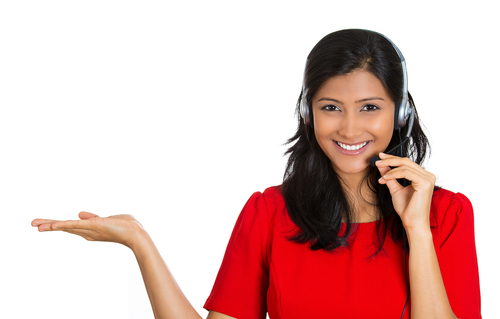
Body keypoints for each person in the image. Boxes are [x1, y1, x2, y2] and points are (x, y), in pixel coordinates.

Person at [31, 29, 481, 319]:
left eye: (369, 108)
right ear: (308, 113)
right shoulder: (269, 211)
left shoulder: (447, 214)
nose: (348, 128)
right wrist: (139, 241)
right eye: (330, 108)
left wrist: (417, 231)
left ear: (400, 113)